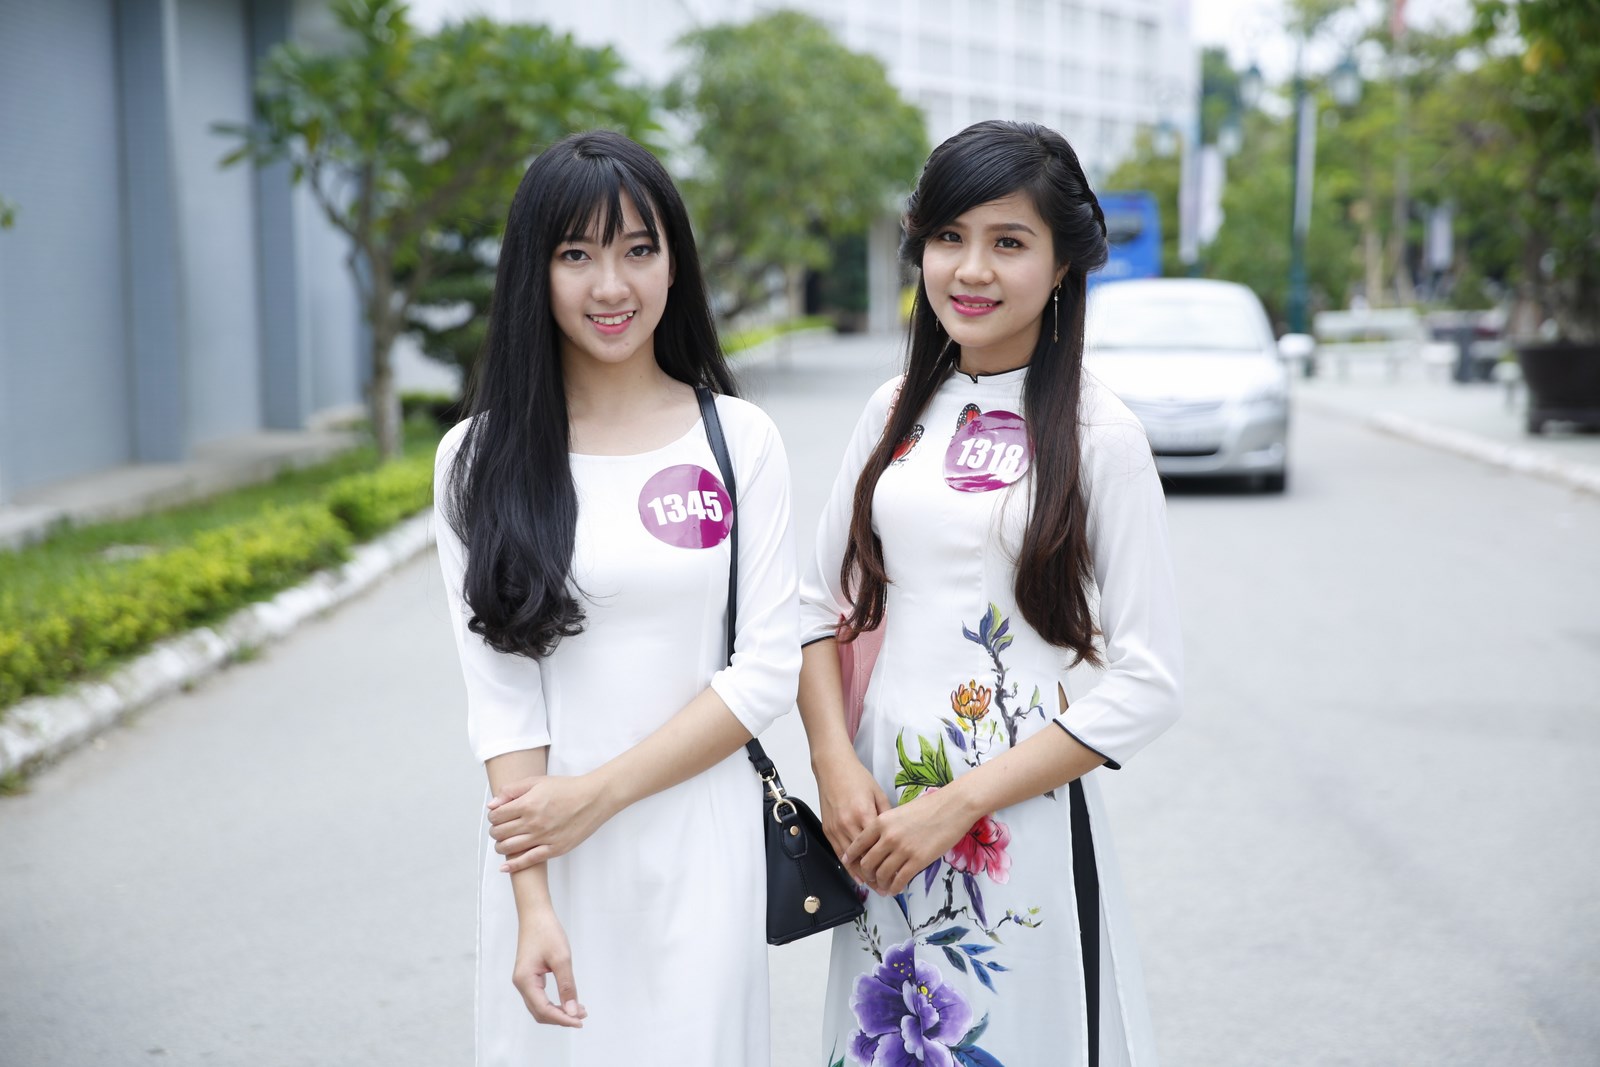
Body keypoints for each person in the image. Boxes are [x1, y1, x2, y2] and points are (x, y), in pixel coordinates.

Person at [797, 120, 1183, 1067]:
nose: (971, 269)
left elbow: (1149, 683)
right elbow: (812, 605)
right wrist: (836, 767)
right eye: (949, 236)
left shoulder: (1099, 435)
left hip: (1013, 828)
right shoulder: (891, 412)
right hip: (881, 821)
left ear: (1061, 266)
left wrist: (959, 804)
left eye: (1008, 241)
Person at [432, 130, 799, 1065]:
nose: (611, 286)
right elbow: (502, 698)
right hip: (551, 863)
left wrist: (595, 797)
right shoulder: (477, 459)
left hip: (702, 849)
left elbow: (765, 672)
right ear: (535, 271)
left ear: (675, 264)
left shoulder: (738, 440)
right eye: (576, 255)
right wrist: (533, 901)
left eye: (639, 249)